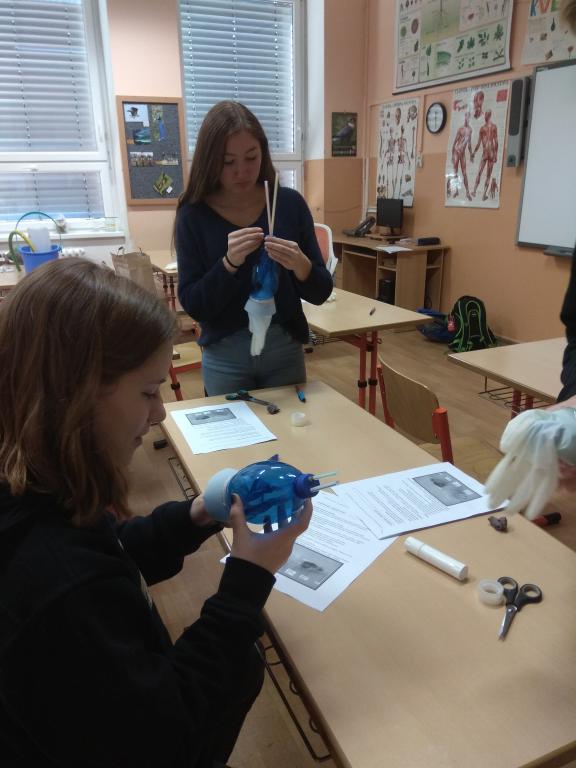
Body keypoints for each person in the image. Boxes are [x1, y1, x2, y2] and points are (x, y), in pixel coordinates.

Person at [0, 258, 312, 768]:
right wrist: (245, 584)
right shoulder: (56, 586)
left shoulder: (37, 490)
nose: (160, 411)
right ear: (73, 395)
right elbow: (171, 739)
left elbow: (109, 555)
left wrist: (196, 515)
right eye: (147, 391)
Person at [175, 101, 333, 396]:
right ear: (210, 160)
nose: (242, 171)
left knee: (292, 425)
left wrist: (301, 266)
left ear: (263, 152)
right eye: (228, 162)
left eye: (251, 157)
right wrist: (228, 264)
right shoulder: (194, 214)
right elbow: (194, 305)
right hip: (225, 354)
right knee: (233, 428)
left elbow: (321, 292)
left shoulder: (288, 204)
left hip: (284, 347)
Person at [447, 112, 473, 201]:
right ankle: (456, 191)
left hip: (462, 153)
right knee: (455, 172)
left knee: (464, 173)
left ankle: (467, 192)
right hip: (456, 151)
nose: (467, 119)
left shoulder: (470, 130)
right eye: (466, 117)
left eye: (468, 117)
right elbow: (455, 142)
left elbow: (469, 144)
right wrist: (452, 155)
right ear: (464, 118)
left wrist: (471, 154)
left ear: (469, 118)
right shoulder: (460, 129)